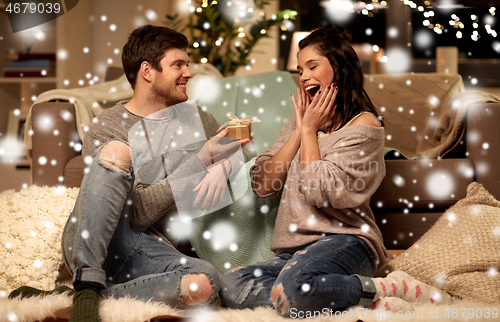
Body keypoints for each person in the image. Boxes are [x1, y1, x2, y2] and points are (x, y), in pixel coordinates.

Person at [9, 25, 250, 322]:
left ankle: (80, 295)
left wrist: (223, 164)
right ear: (147, 71)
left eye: (187, 64)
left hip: (148, 250)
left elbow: (243, 151)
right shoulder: (108, 126)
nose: (188, 73)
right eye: (178, 65)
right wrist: (202, 160)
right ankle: (87, 280)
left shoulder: (197, 118)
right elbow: (137, 214)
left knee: (204, 284)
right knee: (116, 151)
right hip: (101, 240)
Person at [219, 25, 451, 316]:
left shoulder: (364, 127)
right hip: (294, 252)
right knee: (231, 284)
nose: (303, 76)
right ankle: (332, 294)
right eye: (300, 69)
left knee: (293, 288)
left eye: (312, 66)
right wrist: (301, 129)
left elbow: (319, 192)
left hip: (346, 242)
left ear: (339, 68)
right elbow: (263, 186)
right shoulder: (299, 124)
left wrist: (309, 132)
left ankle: (384, 289)